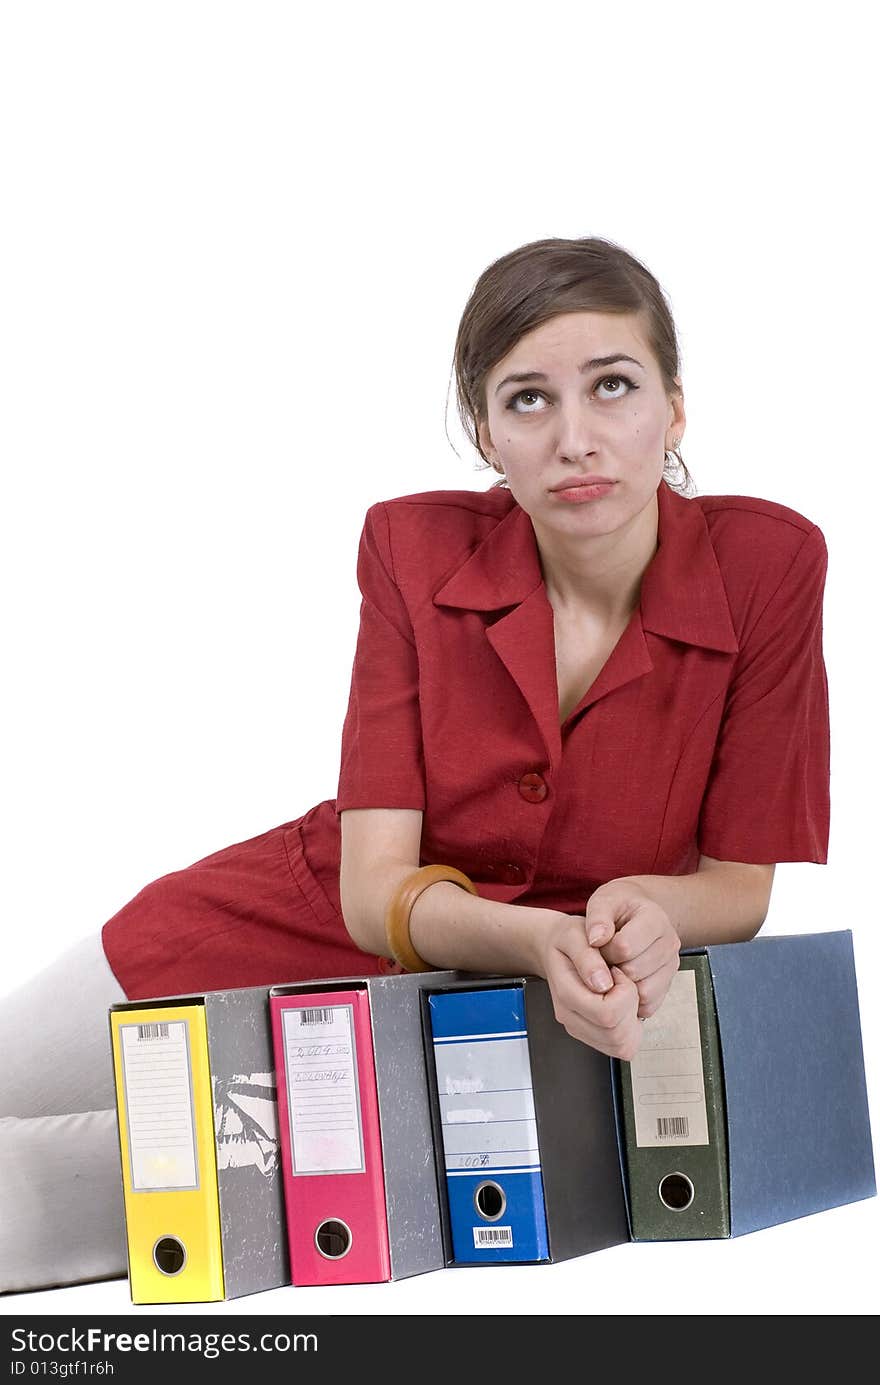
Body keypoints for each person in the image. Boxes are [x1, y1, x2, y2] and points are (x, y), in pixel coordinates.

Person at [0, 236, 830, 1296]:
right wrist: (539, 932)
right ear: (486, 431)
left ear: (673, 407)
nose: (575, 438)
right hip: (286, 917)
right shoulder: (411, 547)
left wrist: (643, 910)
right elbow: (370, 882)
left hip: (473, 1030)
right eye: (527, 400)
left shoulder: (770, 564)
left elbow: (739, 887)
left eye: (611, 385)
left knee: (64, 1201)